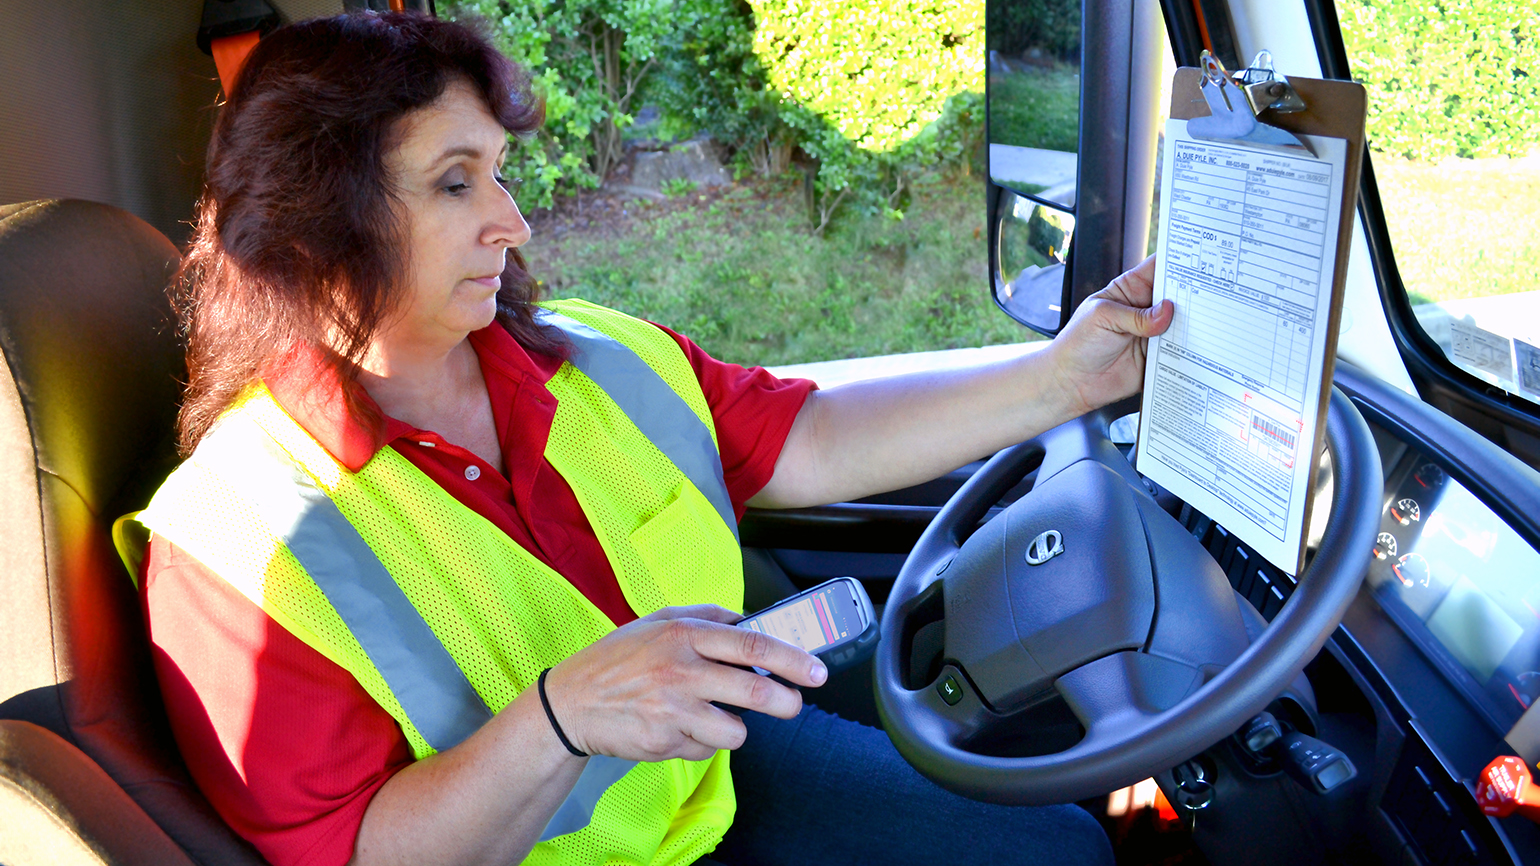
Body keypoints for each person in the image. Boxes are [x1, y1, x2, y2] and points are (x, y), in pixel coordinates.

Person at [137, 11, 1174, 866]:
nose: (512, 219)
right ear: (317, 222)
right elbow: (356, 853)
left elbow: (804, 438)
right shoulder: (232, 543)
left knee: (1059, 848)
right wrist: (560, 717)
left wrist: (1061, 378)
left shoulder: (601, 357)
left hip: (708, 786)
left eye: (500, 172)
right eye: (456, 181)